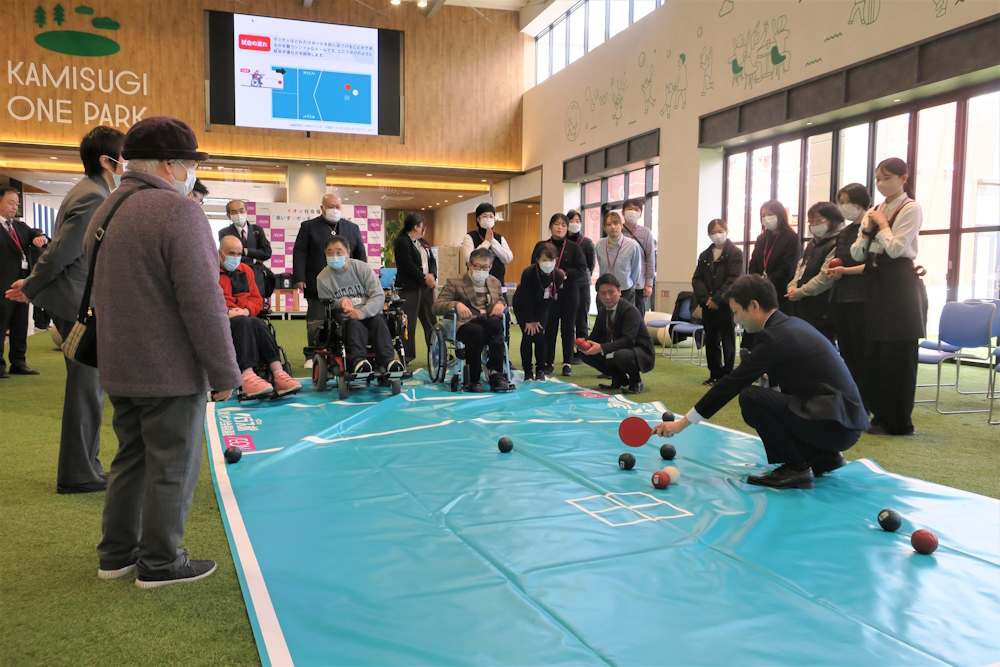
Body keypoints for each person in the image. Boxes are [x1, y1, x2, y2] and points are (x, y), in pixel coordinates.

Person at [83, 116, 241, 588]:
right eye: (191, 163)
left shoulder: (107, 207)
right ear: (170, 164)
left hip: (119, 361)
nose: (193, 172)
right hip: (169, 368)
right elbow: (203, 301)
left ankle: (116, 555)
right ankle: (160, 562)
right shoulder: (179, 212)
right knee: (173, 465)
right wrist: (225, 371)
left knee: (130, 459)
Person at [653, 275, 869, 490]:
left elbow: (730, 384)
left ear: (754, 306)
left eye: (737, 311)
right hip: (844, 423)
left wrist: (682, 424)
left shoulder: (773, 336)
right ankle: (824, 457)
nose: (736, 319)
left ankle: (796, 469)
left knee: (751, 398)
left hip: (837, 428)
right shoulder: (790, 324)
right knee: (766, 398)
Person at [5, 126, 124, 493]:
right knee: (86, 391)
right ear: (107, 161)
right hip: (77, 304)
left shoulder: (91, 191)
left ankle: (84, 467)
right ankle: (78, 473)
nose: (129, 163)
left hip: (77, 301)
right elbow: (62, 252)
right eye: (124, 156)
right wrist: (31, 286)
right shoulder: (93, 196)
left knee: (88, 389)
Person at [851, 157, 924, 436]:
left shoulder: (911, 208)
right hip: (876, 282)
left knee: (898, 355)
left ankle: (899, 423)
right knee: (875, 354)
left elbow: (896, 249)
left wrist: (881, 226)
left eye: (886, 178)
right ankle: (878, 416)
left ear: (903, 179)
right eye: (878, 179)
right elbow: (857, 253)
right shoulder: (874, 211)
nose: (881, 184)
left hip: (900, 284)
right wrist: (868, 230)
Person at [218, 236, 301, 398]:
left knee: (257, 322)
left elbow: (257, 299)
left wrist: (246, 310)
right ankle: (247, 375)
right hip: (221, 320)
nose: (235, 257)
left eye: (239, 254)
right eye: (231, 253)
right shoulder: (210, 272)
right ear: (220, 253)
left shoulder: (246, 271)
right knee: (243, 322)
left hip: (244, 316)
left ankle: (278, 373)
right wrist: (226, 312)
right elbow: (207, 300)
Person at [293, 193, 366, 368]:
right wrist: (300, 277)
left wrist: (362, 276)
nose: (334, 210)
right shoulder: (308, 227)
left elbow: (360, 254)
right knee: (316, 318)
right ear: (322, 208)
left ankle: (347, 351)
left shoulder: (352, 228)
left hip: (347, 284)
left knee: (346, 317)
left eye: (337, 207)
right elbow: (300, 253)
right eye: (330, 206)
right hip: (317, 281)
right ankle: (312, 354)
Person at [316, 236, 405, 376]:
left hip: (371, 313)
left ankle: (389, 361)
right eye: (330, 253)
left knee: (379, 322)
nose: (334, 256)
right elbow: (327, 303)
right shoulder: (323, 278)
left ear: (348, 253)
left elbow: (378, 295)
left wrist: (363, 312)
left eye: (339, 252)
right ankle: (359, 362)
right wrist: (340, 302)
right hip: (347, 318)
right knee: (354, 324)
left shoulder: (363, 269)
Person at [432, 248, 510, 392]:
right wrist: (456, 305)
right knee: (476, 331)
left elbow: (501, 299)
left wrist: (501, 304)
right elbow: (437, 306)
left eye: (485, 267)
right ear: (469, 265)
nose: (482, 270)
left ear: (490, 266)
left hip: (487, 321)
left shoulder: (495, 282)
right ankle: (473, 378)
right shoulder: (455, 282)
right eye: (478, 266)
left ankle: (496, 373)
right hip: (465, 324)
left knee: (497, 324)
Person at [825, 183, 871, 401]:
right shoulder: (844, 232)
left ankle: (865, 400)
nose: (843, 206)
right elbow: (840, 259)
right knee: (847, 350)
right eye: (841, 202)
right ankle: (852, 397)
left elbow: (871, 264)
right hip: (841, 296)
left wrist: (845, 270)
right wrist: (835, 271)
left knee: (861, 352)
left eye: (847, 202)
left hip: (860, 298)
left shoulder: (870, 229)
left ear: (860, 202)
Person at [578, 272, 655, 395]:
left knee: (621, 355)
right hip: (618, 348)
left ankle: (636, 381)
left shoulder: (630, 311)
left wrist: (602, 348)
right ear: (598, 295)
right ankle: (619, 377)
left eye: (611, 292)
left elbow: (628, 340)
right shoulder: (603, 312)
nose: (607, 297)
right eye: (603, 293)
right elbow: (594, 337)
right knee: (584, 353)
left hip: (640, 351)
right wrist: (583, 344)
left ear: (619, 291)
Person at [531, 213, 587, 378]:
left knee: (568, 329)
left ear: (567, 228)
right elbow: (533, 266)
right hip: (548, 292)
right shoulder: (542, 245)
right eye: (556, 224)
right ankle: (549, 362)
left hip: (570, 293)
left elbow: (582, 269)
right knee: (550, 328)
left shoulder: (574, 247)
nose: (560, 228)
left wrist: (566, 274)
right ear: (550, 227)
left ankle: (567, 363)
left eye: (563, 225)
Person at [691, 218, 744, 386]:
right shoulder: (705, 255)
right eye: (713, 232)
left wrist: (716, 299)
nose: (717, 235)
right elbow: (697, 279)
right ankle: (714, 373)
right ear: (708, 235)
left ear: (727, 231)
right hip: (708, 305)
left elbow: (733, 279)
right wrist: (706, 299)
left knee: (728, 339)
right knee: (711, 339)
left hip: (726, 304)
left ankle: (727, 374)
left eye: (720, 231)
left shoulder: (735, 253)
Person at [0, 185, 46, 378]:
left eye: (17, 203)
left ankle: (18, 362)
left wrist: (38, 237)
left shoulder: (19, 227)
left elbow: (35, 232)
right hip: (2, 285)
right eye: (10, 202)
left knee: (20, 325)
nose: (14, 207)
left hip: (21, 284)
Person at [785, 202, 844, 343]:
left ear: (833, 219)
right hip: (805, 305)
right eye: (811, 221)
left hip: (823, 307)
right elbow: (801, 266)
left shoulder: (837, 242)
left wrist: (801, 292)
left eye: (820, 220)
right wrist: (792, 287)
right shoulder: (813, 243)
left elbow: (825, 278)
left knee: (822, 344)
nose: (815, 224)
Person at [513, 242, 564, 381]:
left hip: (543, 307)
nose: (548, 263)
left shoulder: (558, 275)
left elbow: (550, 299)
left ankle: (540, 370)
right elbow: (525, 298)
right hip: (523, 305)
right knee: (528, 335)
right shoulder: (528, 272)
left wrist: (537, 319)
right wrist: (529, 320)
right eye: (544, 259)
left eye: (551, 259)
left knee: (540, 336)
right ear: (537, 260)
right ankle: (528, 371)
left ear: (556, 260)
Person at [392, 213, 437, 363]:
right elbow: (408, 265)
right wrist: (425, 279)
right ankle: (407, 356)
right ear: (416, 227)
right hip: (410, 288)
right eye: (423, 226)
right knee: (408, 324)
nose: (424, 229)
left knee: (431, 321)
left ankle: (435, 353)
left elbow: (432, 261)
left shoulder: (423, 242)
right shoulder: (402, 242)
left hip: (426, 289)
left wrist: (432, 275)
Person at [747, 199, 800, 317]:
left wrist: (767, 283)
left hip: (781, 291)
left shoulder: (792, 238)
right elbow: (753, 263)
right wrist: (757, 283)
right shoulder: (761, 239)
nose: (766, 218)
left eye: (770, 214)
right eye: (763, 215)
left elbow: (787, 268)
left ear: (780, 215)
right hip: (761, 292)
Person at [219, 199, 272, 297]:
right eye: (234, 212)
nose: (238, 214)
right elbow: (227, 255)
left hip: (256, 274)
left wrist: (245, 251)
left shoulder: (257, 230)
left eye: (241, 210)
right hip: (236, 274)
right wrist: (254, 258)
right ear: (229, 215)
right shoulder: (224, 232)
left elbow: (267, 253)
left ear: (246, 211)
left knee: (256, 301)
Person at [595, 209, 643, 305]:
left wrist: (628, 285)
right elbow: (601, 265)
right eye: (609, 224)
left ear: (621, 225)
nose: (613, 227)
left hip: (625, 291)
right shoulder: (600, 244)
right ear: (604, 228)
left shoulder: (632, 245)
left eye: (616, 223)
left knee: (625, 315)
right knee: (604, 315)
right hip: (605, 292)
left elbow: (636, 272)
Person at [566, 209, 596, 357]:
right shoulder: (563, 241)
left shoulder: (587, 242)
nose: (574, 224)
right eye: (571, 221)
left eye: (577, 221)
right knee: (568, 320)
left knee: (582, 319)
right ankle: (568, 352)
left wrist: (582, 276)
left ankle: (582, 352)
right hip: (567, 285)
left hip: (583, 284)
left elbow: (591, 264)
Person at [621, 198, 655, 316]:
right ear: (623, 212)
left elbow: (650, 258)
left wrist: (649, 283)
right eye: (630, 209)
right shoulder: (617, 232)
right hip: (621, 282)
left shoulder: (646, 233)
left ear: (640, 214)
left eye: (636, 210)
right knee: (621, 315)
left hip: (639, 283)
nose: (633, 212)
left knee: (638, 316)